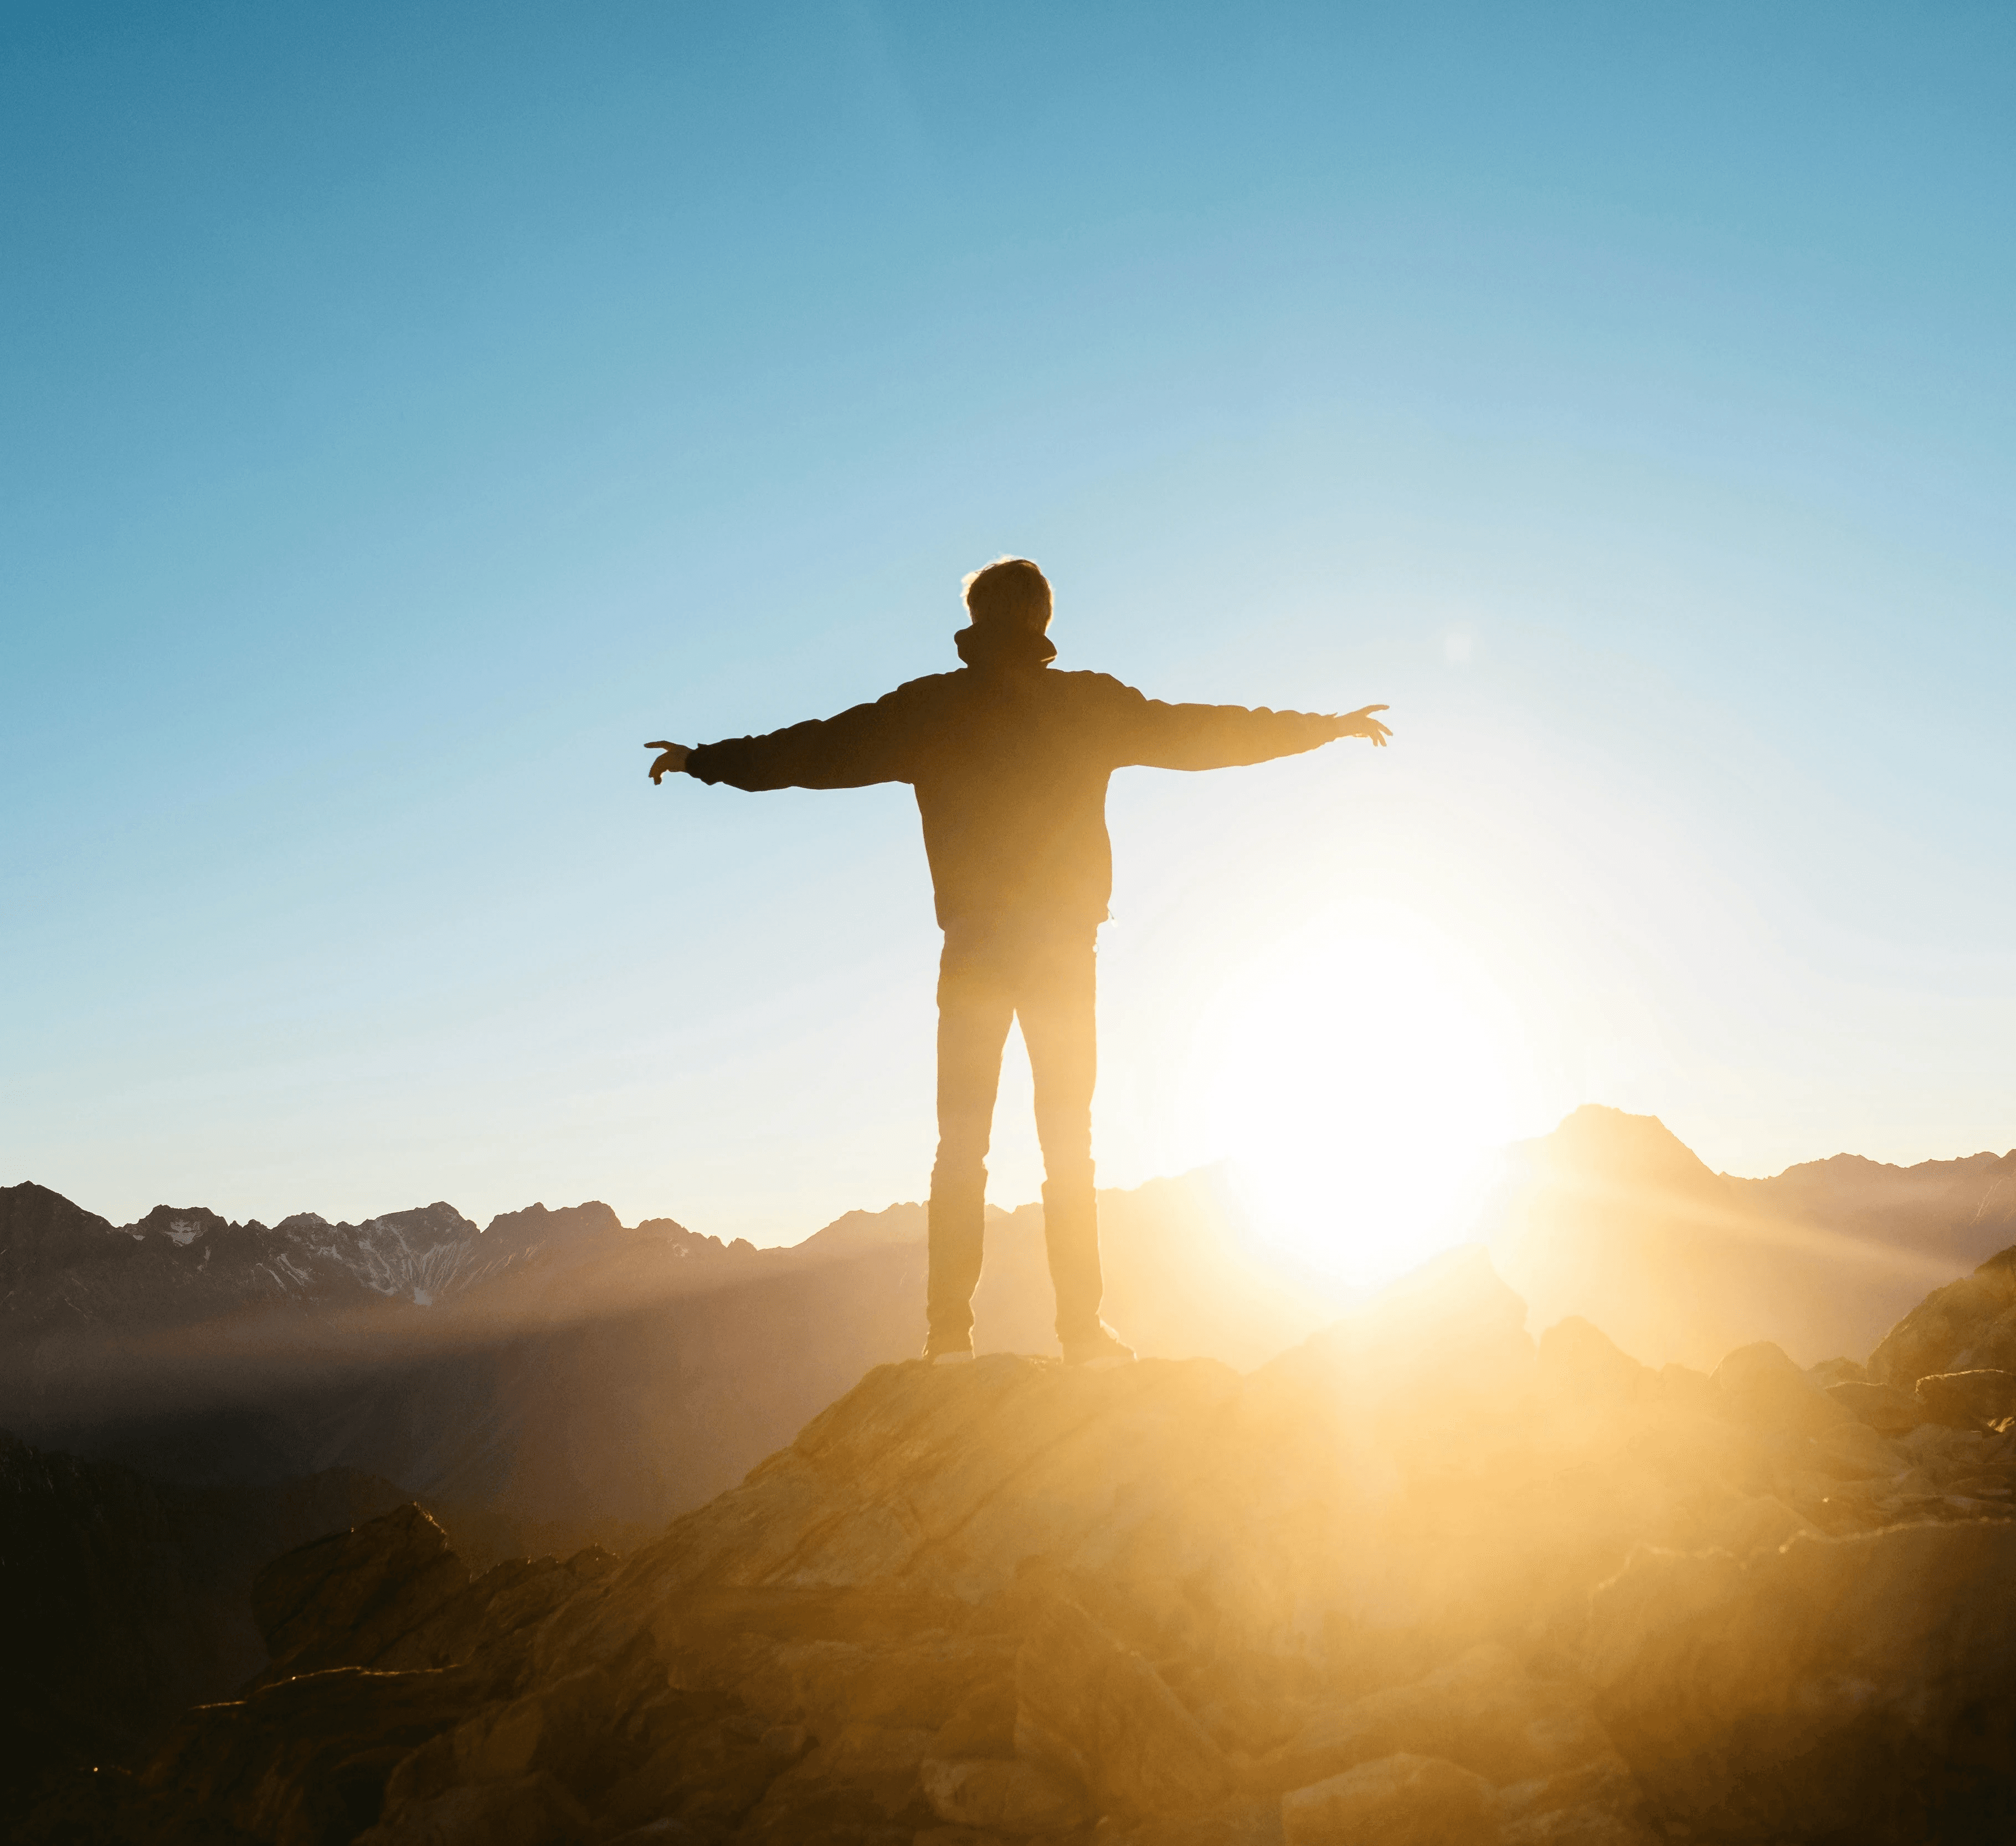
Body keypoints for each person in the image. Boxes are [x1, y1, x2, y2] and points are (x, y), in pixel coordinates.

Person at [647, 558, 1390, 1367]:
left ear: (975, 617)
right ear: (1042, 621)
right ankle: (1082, 1336)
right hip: (1064, 951)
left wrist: (704, 760)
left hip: (974, 951)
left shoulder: (931, 709)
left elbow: (816, 751)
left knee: (961, 1145)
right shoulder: (1088, 705)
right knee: (1069, 1142)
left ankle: (947, 1338)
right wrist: (1327, 726)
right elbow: (1209, 732)